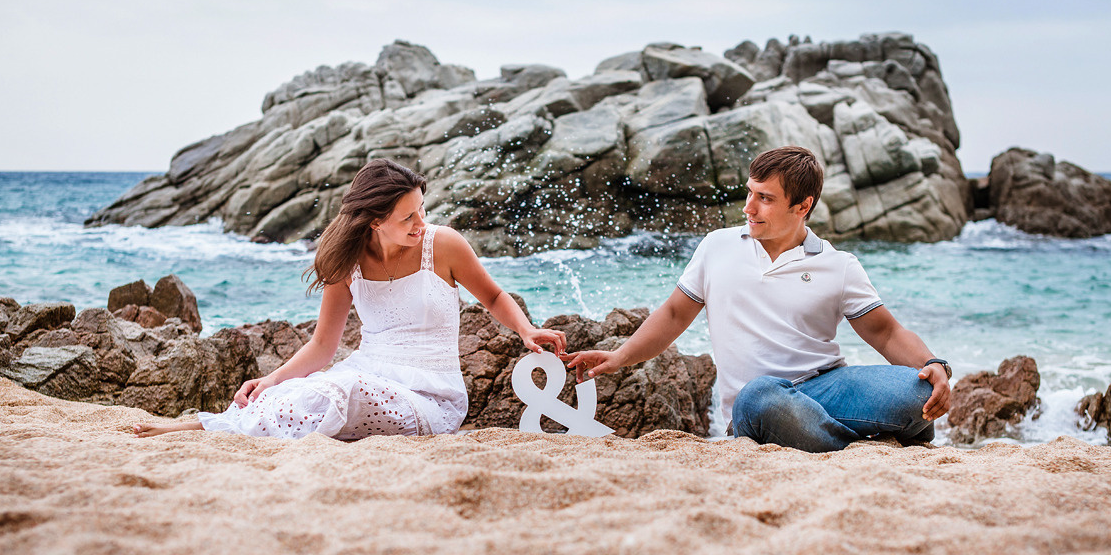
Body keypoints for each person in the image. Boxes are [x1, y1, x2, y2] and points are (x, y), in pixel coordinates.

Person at [133, 159, 565, 439]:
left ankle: (203, 429)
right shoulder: (347, 261)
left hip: (432, 397)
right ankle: (206, 428)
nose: (421, 222)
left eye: (422, 210)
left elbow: (492, 296)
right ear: (376, 221)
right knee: (302, 389)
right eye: (408, 216)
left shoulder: (444, 245)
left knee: (343, 389)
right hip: (365, 372)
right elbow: (323, 345)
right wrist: (272, 380)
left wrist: (526, 329)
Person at [563, 145, 951, 452]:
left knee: (919, 391)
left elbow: (885, 333)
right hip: (758, 404)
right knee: (761, 396)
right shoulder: (717, 247)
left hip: (827, 386)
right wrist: (620, 357)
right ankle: (849, 443)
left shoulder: (839, 265)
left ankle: (822, 437)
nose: (749, 207)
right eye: (750, 193)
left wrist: (933, 365)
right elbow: (675, 313)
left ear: (803, 206)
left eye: (765, 198)